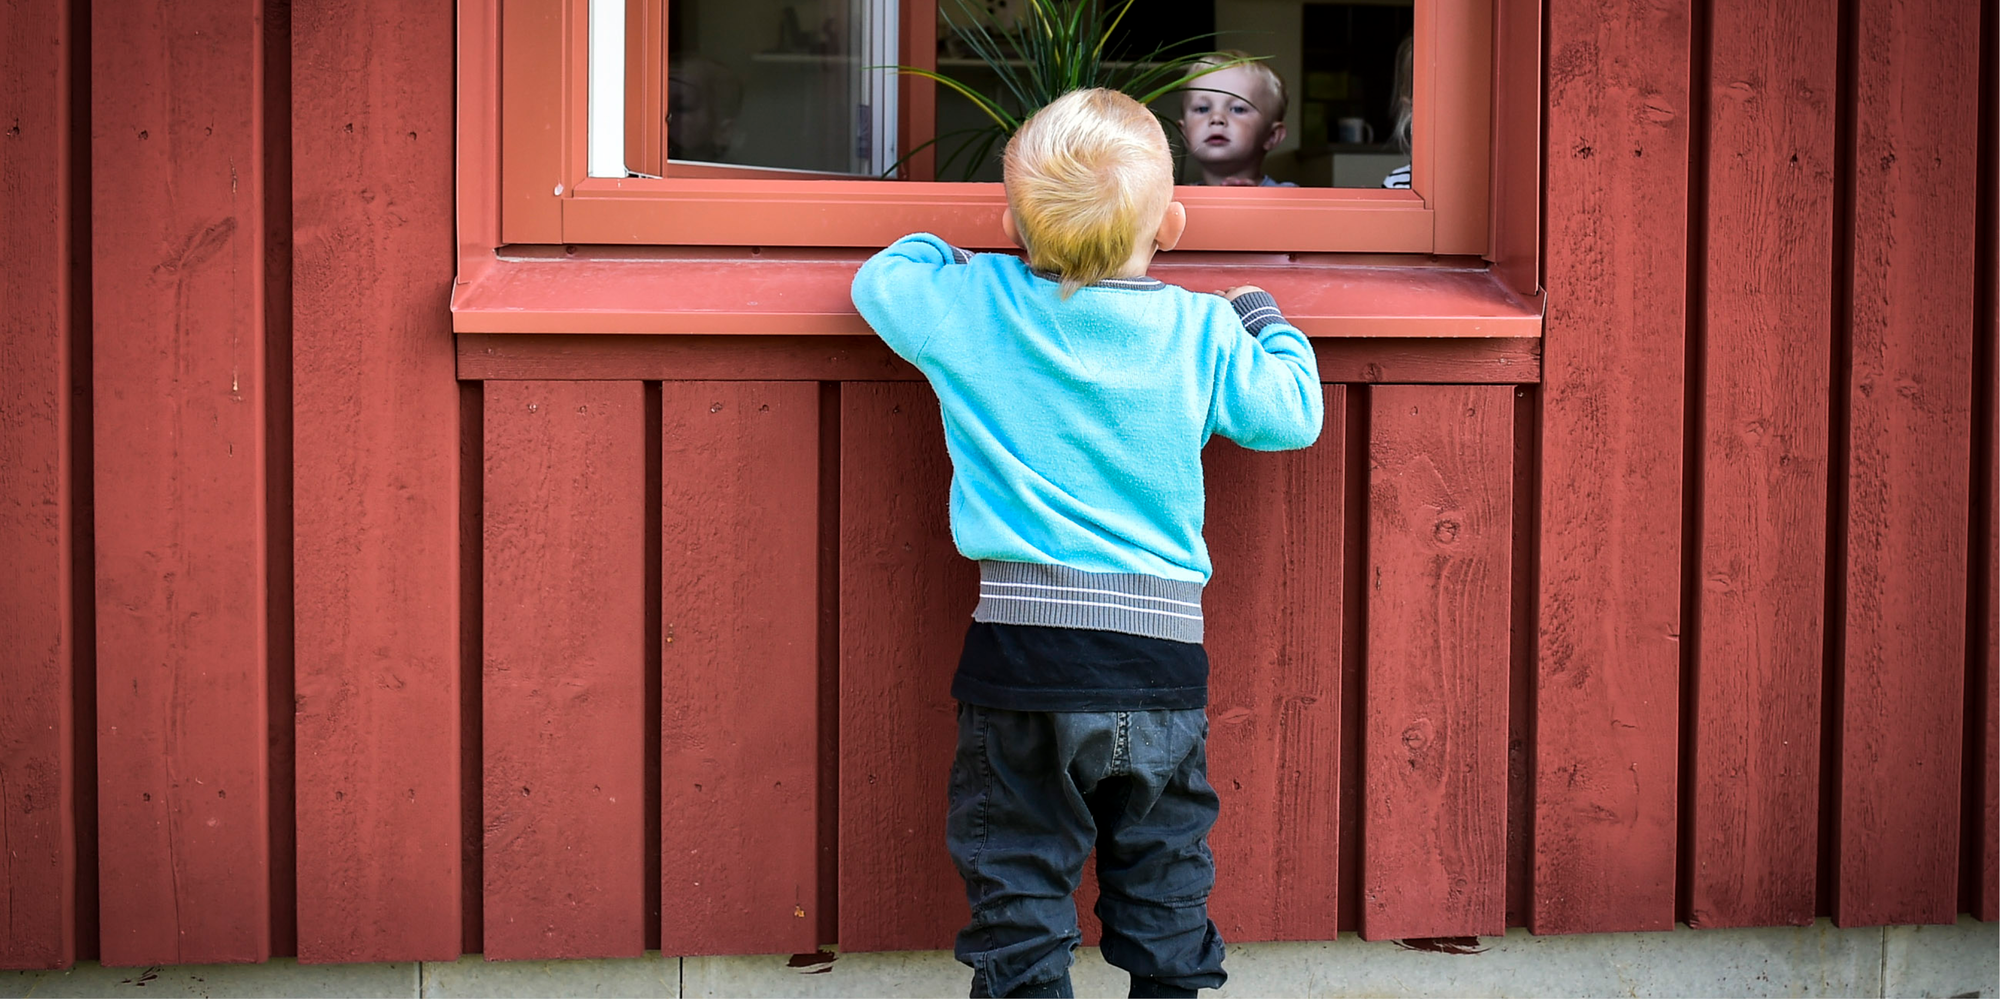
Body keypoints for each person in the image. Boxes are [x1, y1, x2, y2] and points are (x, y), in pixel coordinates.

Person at [850, 88, 1323, 999]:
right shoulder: (1200, 327)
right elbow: (1291, 413)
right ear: (1172, 226)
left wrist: (947, 251)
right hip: (1157, 668)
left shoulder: (977, 301)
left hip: (1022, 664)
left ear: (1009, 223)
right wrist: (1260, 312)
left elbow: (882, 281)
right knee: (1164, 885)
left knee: (1020, 890)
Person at [1177, 52, 1294, 187]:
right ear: (1184, 133)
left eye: (1237, 109)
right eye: (1202, 109)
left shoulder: (1288, 197)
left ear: (1271, 136)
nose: (1216, 118)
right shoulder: (1177, 202)